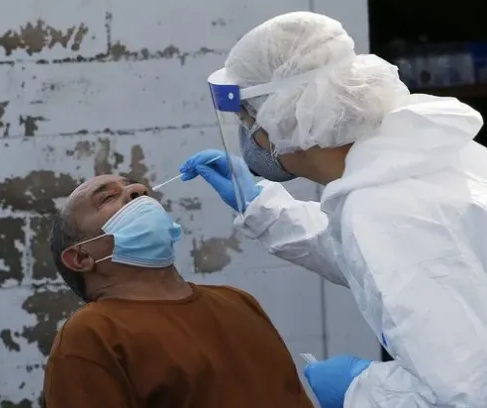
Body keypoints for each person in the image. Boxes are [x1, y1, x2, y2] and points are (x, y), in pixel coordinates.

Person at [180, 11, 487, 408]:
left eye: (249, 121)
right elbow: (377, 258)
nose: (250, 137)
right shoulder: (406, 151)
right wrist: (263, 208)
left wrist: (360, 390)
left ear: (283, 120)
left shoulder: (386, 206)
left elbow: (464, 390)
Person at [43, 174, 314, 408]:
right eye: (107, 198)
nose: (138, 190)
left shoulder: (238, 301)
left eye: (134, 186)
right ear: (81, 257)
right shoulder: (92, 334)